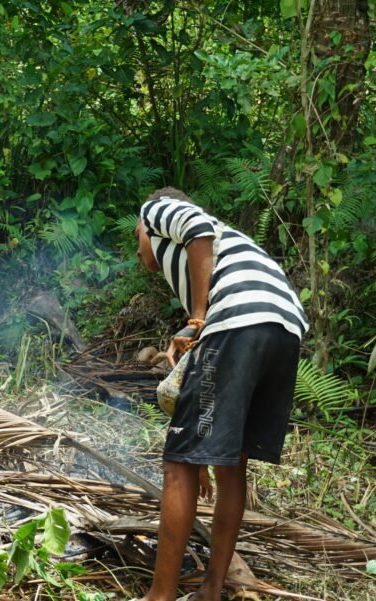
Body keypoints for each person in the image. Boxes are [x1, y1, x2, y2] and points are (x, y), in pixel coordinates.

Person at [131, 187, 308, 601]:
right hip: (284, 330)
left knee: (177, 466)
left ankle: (159, 597)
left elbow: (195, 227)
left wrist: (196, 316)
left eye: (136, 237)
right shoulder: (231, 250)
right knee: (233, 465)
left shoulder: (157, 210)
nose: (138, 249)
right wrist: (194, 329)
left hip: (240, 322)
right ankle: (211, 590)